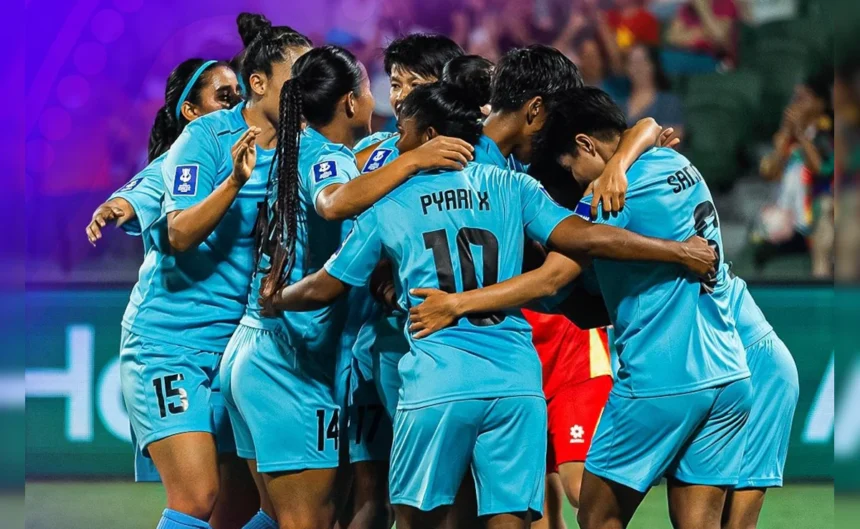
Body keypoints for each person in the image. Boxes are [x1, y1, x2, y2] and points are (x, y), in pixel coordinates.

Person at [262, 82, 717, 529]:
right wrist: (673, 249)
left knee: (414, 520)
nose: (396, 143)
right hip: (517, 384)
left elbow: (325, 287)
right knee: (510, 521)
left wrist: (277, 296)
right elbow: (586, 237)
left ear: (428, 136)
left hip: (439, 381)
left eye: (403, 131)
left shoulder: (391, 202)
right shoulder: (512, 186)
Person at [221, 44, 473, 529]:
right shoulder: (327, 154)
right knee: (307, 521)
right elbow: (333, 203)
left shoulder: (295, 151)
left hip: (262, 347)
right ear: (351, 102)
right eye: (369, 87)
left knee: (281, 517)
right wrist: (413, 161)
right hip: (289, 359)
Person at [117, 27, 311, 529]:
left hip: (240, 351)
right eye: (297, 77)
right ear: (260, 84)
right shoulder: (206, 136)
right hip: (171, 342)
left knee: (249, 506)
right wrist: (234, 182)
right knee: (197, 496)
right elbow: (179, 232)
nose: (308, 88)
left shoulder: (305, 148)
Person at [534, 86, 751, 529]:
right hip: (727, 373)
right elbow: (647, 129)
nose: (575, 179)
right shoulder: (678, 161)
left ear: (585, 144)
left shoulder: (608, 199)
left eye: (572, 167)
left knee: (596, 516)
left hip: (661, 378)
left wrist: (465, 299)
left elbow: (554, 279)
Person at [621, 44, 684, 140]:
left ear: (653, 65)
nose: (637, 68)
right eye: (632, 62)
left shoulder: (668, 102)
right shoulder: (618, 102)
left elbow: (673, 135)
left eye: (641, 61)